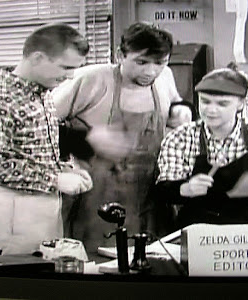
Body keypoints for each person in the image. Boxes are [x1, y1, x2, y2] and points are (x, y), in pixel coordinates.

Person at [52, 22, 193, 253]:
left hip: (149, 198)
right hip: (95, 201)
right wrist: (86, 139)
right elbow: (40, 126)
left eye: (160, 62)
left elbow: (175, 104)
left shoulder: (165, 77)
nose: (150, 72)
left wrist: (181, 109)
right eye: (141, 62)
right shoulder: (90, 79)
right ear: (120, 55)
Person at [0, 23, 93, 255]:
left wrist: (65, 170)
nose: (71, 76)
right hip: (13, 211)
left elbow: (30, 152)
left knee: (44, 282)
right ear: (37, 57)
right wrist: (54, 179)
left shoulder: (42, 95)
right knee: (17, 285)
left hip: (42, 206)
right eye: (65, 67)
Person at [155, 63, 248, 229]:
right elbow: (162, 192)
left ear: (241, 104)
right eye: (205, 102)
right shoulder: (180, 137)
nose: (211, 110)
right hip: (197, 232)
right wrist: (185, 189)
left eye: (222, 104)